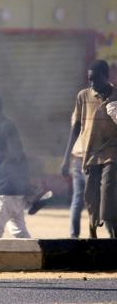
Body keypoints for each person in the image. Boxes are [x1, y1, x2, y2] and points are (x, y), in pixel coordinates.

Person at [61, 60, 117, 238]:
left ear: (106, 77)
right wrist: (65, 158)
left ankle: (110, 230)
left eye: (96, 80)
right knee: (89, 196)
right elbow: (76, 126)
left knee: (107, 190)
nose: (92, 84)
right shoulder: (83, 96)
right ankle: (92, 232)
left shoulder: (116, 96)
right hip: (89, 153)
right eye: (89, 80)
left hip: (111, 152)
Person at [0, 93, 33, 238]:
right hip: (14, 190)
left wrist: (15, 182)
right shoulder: (2, 127)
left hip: (6, 190)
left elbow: (18, 155)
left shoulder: (6, 127)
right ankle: (32, 260)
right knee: (20, 232)